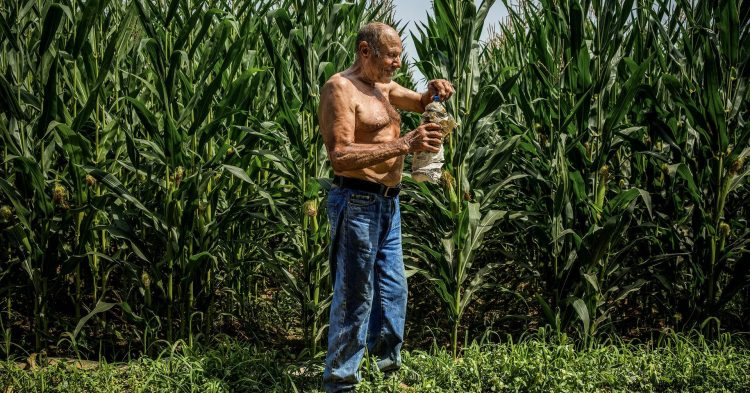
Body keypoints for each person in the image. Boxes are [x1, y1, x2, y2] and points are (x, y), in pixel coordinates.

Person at [318, 21, 454, 392]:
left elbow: (421, 102)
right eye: (391, 56)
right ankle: (342, 381)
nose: (397, 64)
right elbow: (340, 155)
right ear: (366, 52)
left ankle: (384, 372)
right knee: (355, 296)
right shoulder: (340, 89)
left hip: (388, 206)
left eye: (399, 57)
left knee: (394, 290)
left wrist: (434, 92)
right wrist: (404, 145)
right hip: (356, 202)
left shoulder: (384, 87)